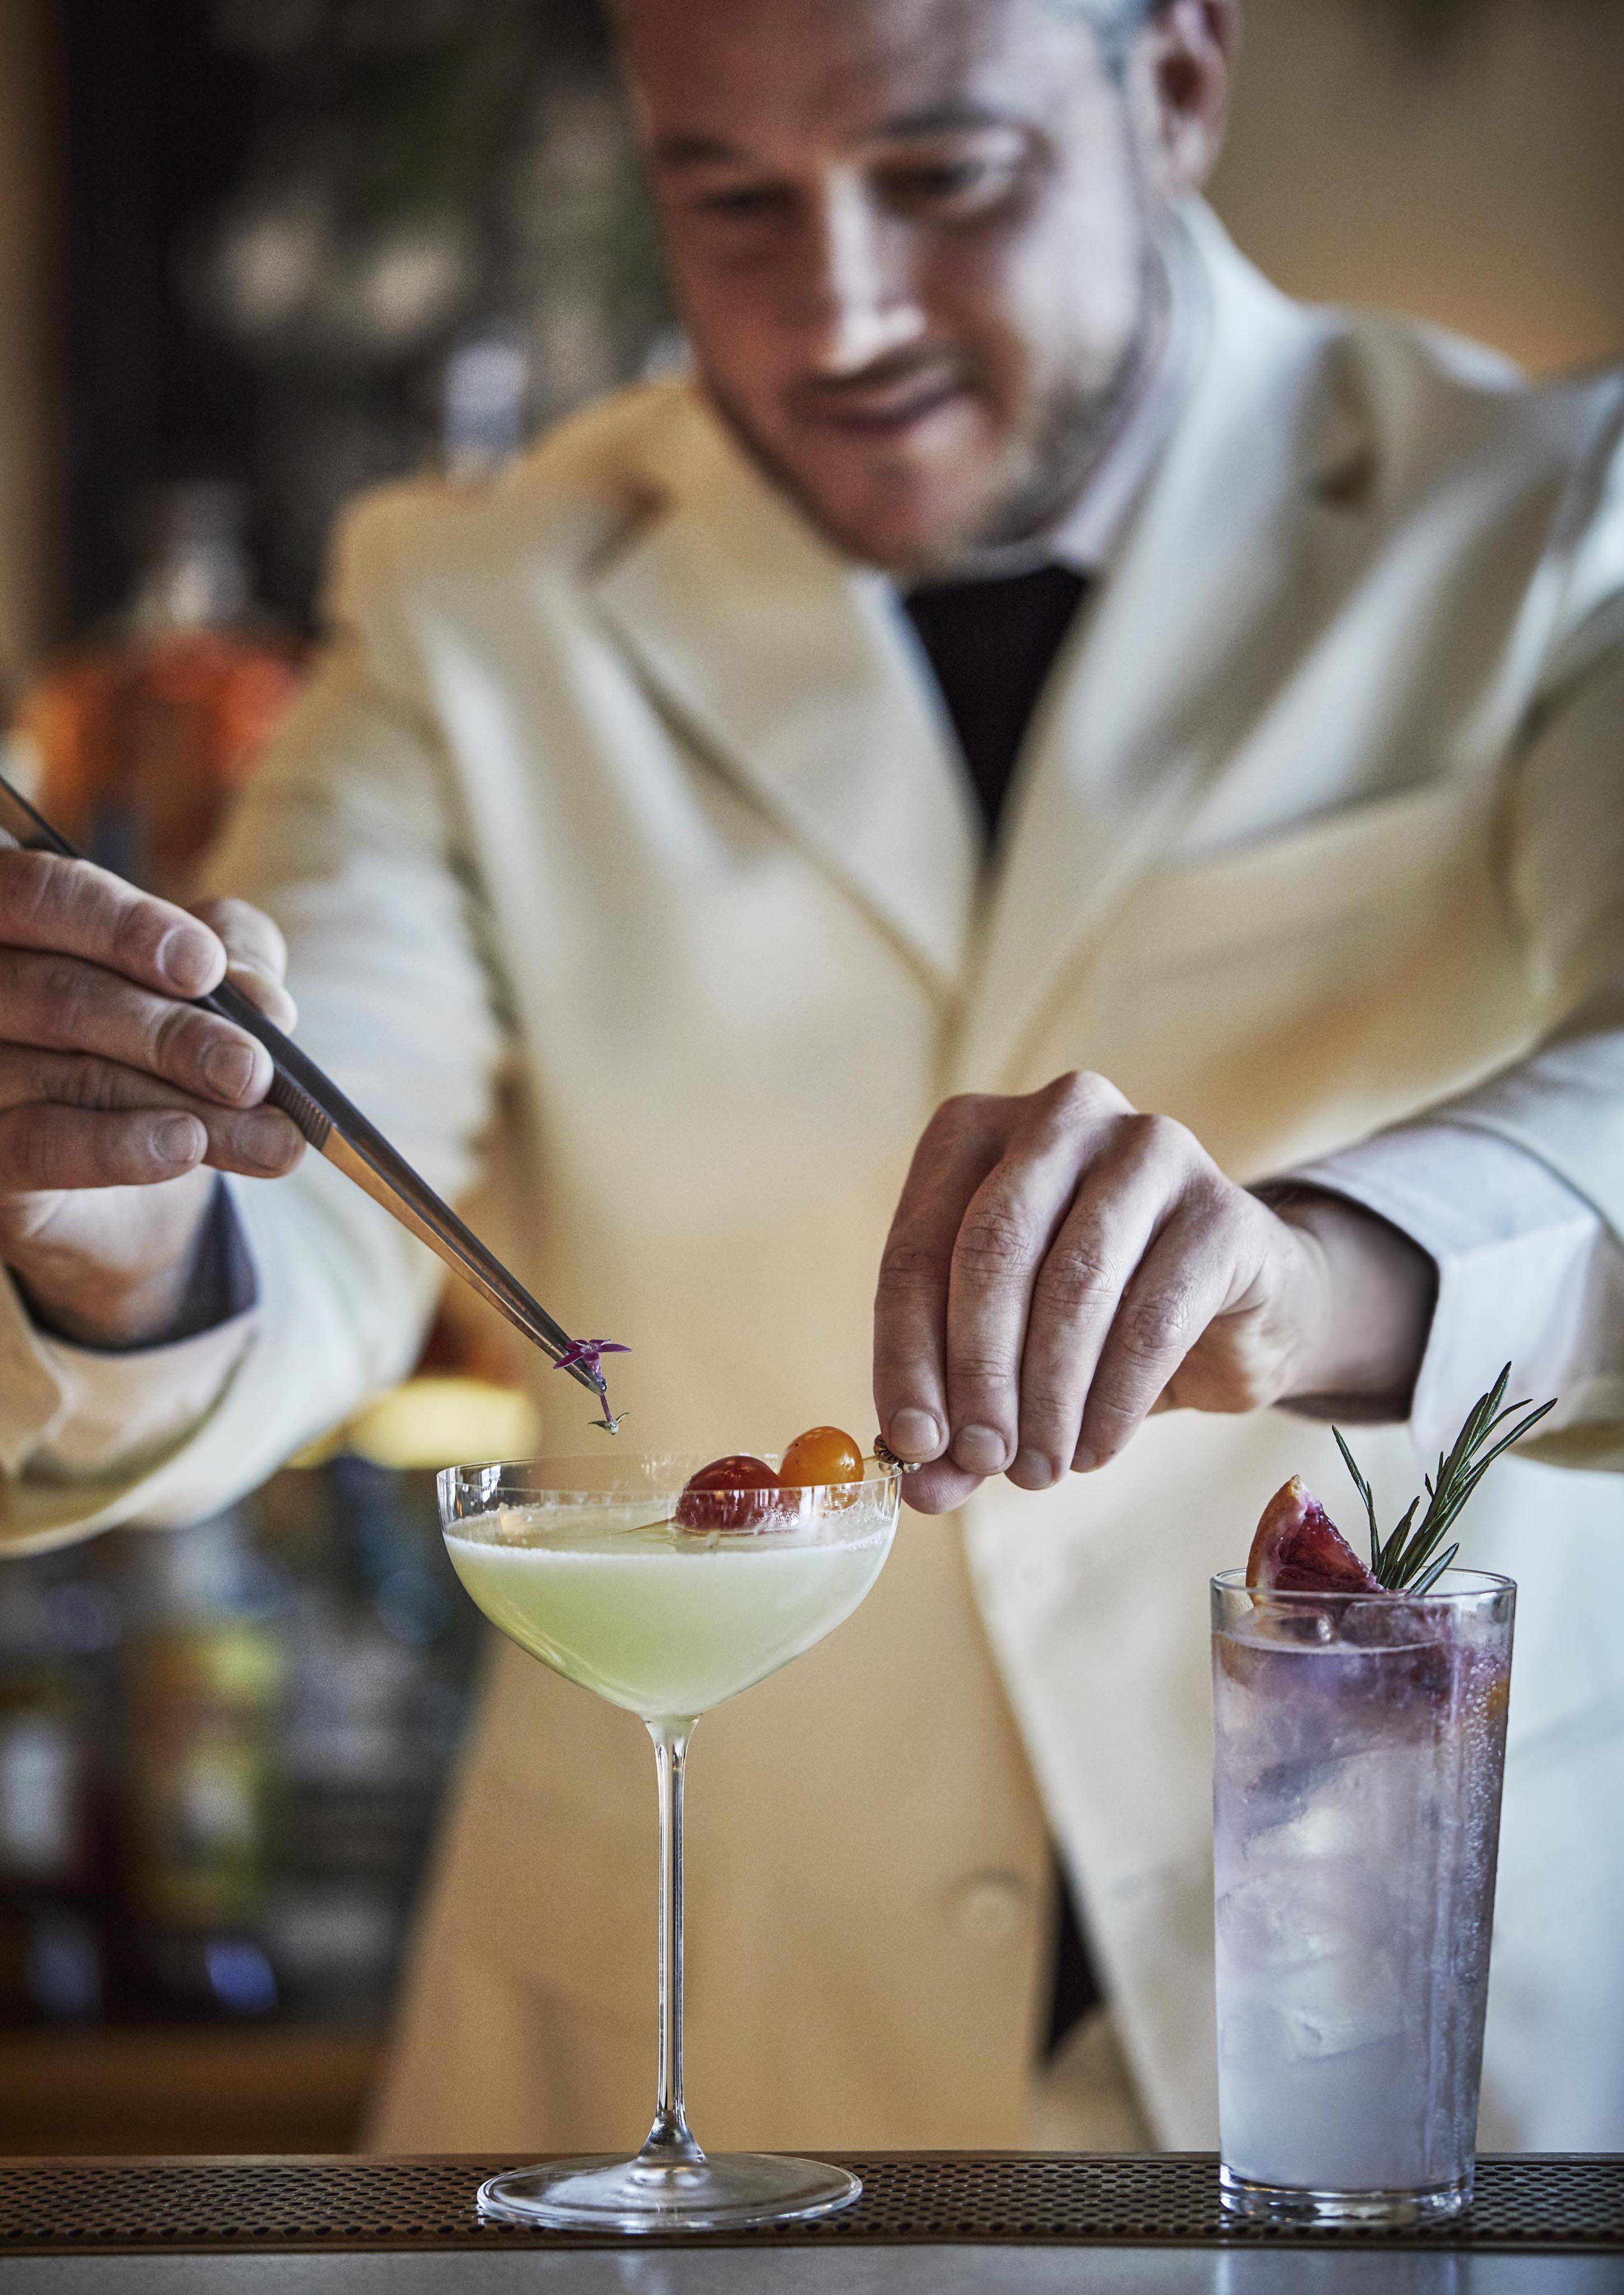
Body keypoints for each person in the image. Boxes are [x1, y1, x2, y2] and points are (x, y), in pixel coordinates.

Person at [3, 0, 1624, 2152]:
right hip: (707, 2057)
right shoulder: (475, 604)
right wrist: (120, 1219)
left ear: (1174, 88)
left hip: (1417, 2052)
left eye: (945, 176)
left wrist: (1308, 1274)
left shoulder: (1543, 516)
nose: (841, 308)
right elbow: (312, 1195)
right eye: (730, 197)